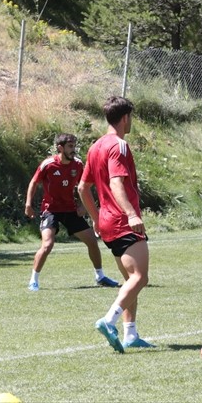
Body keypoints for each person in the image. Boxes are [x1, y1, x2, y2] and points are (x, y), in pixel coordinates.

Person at [78, 96, 153, 352]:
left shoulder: (95, 146)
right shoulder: (118, 145)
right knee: (140, 277)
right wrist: (131, 214)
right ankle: (109, 321)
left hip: (108, 222)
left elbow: (83, 188)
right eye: (131, 118)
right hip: (123, 221)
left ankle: (131, 334)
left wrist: (96, 218)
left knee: (130, 280)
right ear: (125, 118)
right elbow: (116, 182)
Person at [24, 133, 120, 291]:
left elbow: (85, 186)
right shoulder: (48, 164)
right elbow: (33, 182)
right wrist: (28, 204)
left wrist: (83, 206)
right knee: (47, 244)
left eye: (74, 146)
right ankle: (33, 281)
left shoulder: (78, 164)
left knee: (92, 241)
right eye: (70, 146)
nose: (73, 149)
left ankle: (100, 276)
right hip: (51, 210)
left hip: (70, 210)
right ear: (60, 148)